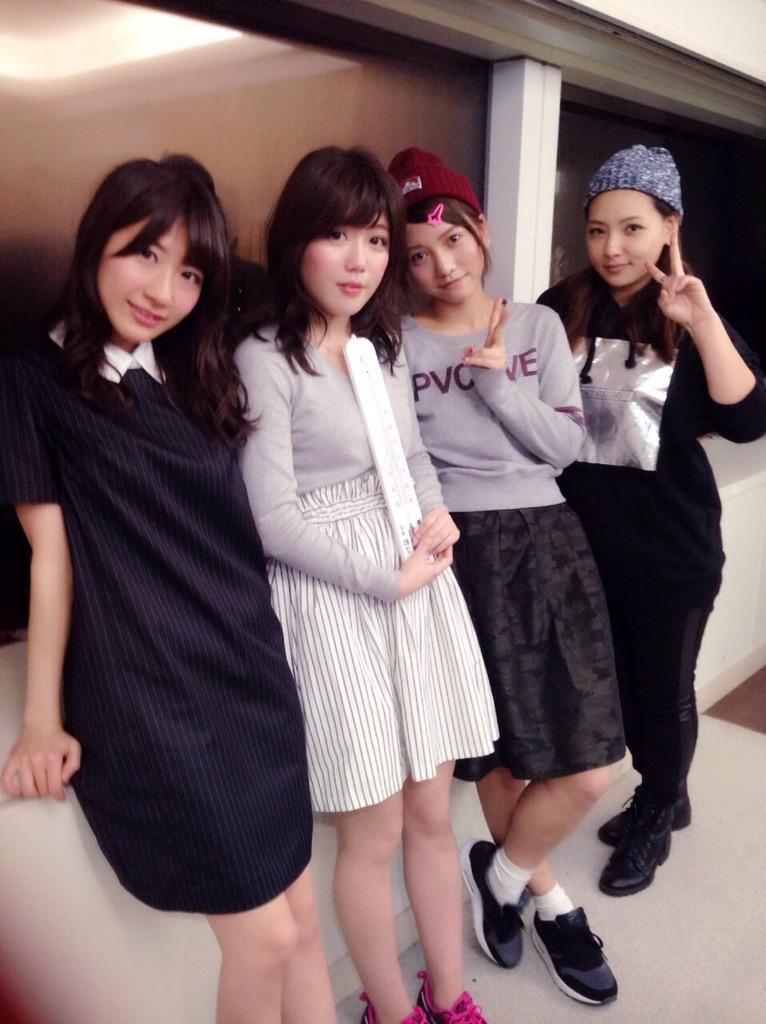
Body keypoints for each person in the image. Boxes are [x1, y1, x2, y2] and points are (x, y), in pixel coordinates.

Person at [0, 155, 335, 1024]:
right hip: (153, 695)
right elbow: (49, 558)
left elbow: (273, 291)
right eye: (144, 254)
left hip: (250, 673)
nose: (163, 291)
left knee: (301, 917)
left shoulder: (192, 367)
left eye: (190, 273)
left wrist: (213, 248)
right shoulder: (32, 379)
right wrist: (42, 720)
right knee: (265, 940)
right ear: (95, 244)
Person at [235, 146, 499, 1024]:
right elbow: (273, 520)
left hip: (414, 580)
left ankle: (449, 996)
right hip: (337, 600)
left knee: (431, 812)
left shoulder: (379, 345)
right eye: (338, 235)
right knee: (374, 829)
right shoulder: (264, 357)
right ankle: (391, 1008)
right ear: (296, 241)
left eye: (378, 239)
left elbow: (413, 457)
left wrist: (438, 512)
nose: (360, 260)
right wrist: (385, 578)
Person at [388, 146, 623, 1006]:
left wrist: (498, 389)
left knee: (590, 764)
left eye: (452, 239)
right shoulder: (396, 343)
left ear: (480, 229)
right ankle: (553, 903)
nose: (441, 265)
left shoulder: (534, 327)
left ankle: (502, 874)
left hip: (548, 538)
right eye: (417, 253)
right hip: (457, 549)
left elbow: (566, 446)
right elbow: (402, 458)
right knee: (498, 749)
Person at [537, 144, 766, 896]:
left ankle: (657, 809)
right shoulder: (559, 308)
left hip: (671, 549)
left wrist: (702, 322)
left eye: (632, 228)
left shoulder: (690, 311)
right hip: (586, 549)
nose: (612, 248)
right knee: (622, 695)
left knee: (662, 694)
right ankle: (670, 793)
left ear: (670, 226)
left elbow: (749, 421)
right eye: (597, 229)